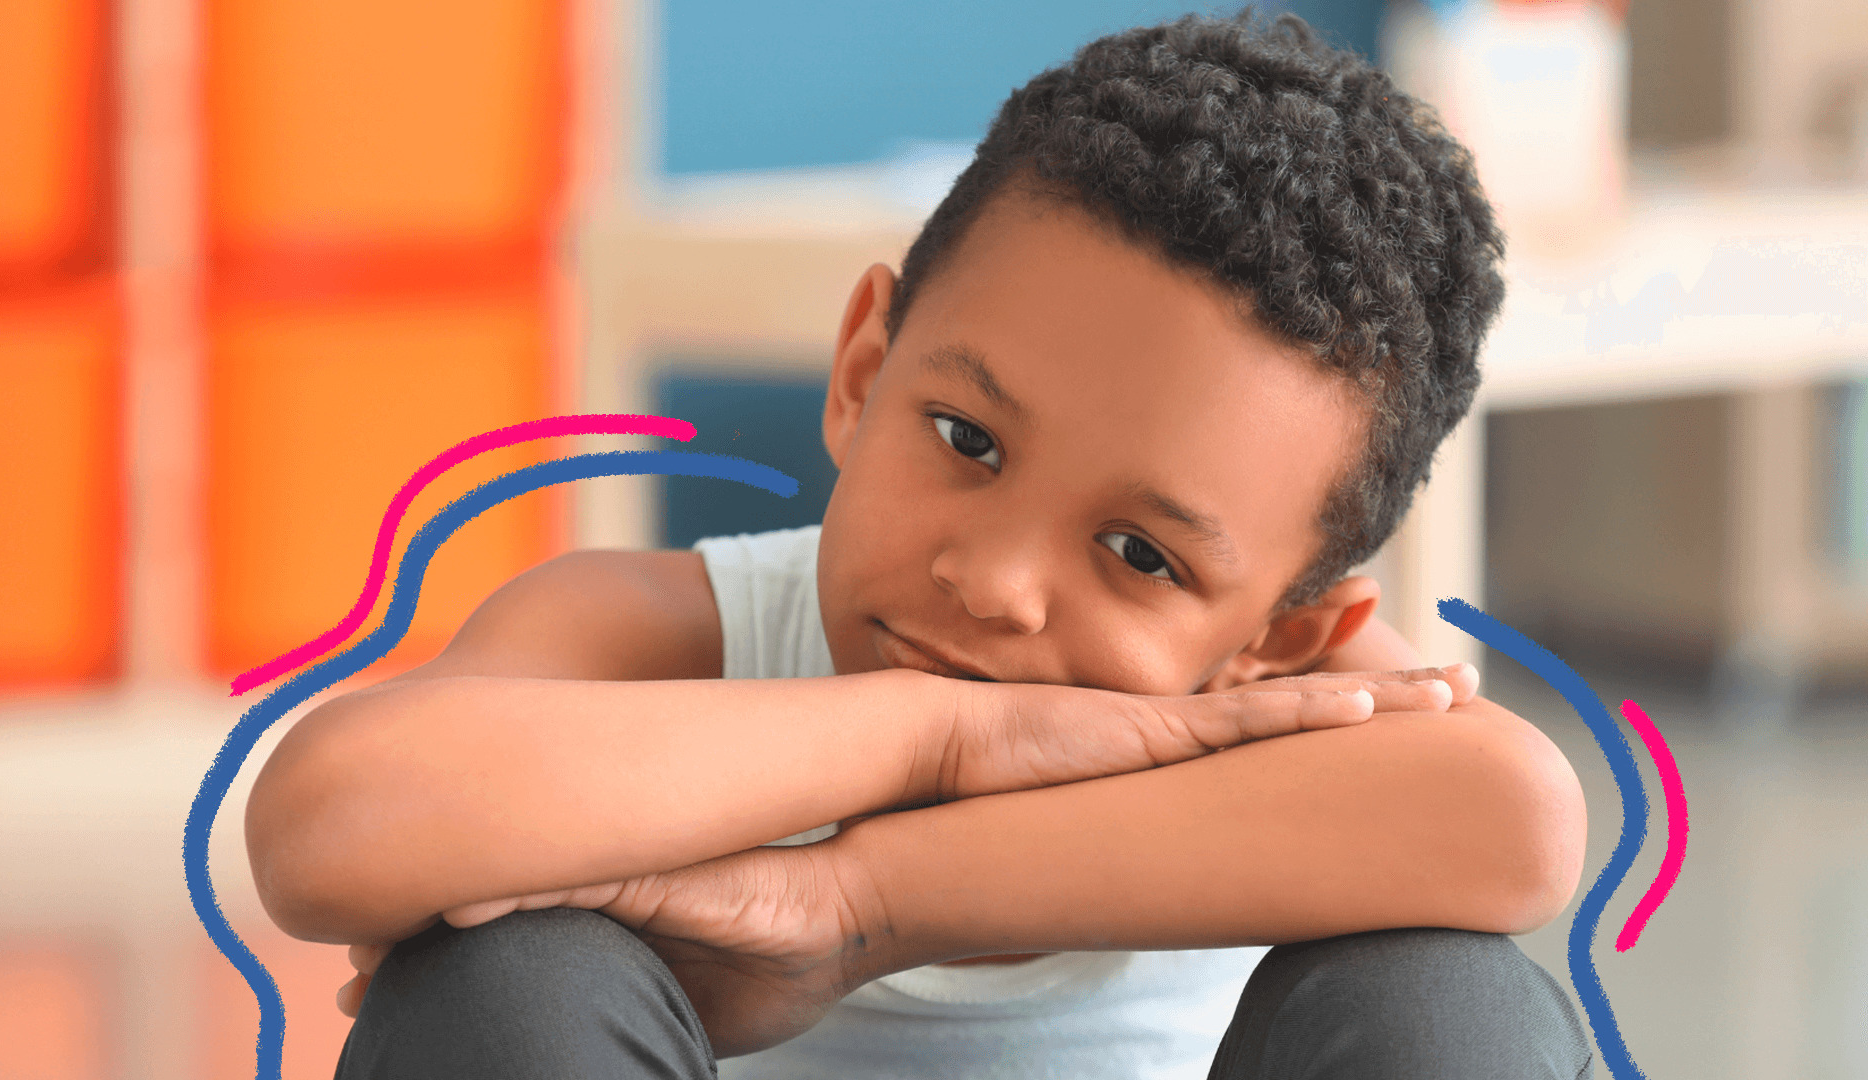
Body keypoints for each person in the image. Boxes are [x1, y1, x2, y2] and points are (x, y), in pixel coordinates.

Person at [246, 11, 1594, 1078]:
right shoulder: (659, 634)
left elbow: (1516, 821)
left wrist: (858, 904)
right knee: (507, 979)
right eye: (966, 441)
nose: (994, 583)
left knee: (1449, 1001)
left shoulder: (1293, 712)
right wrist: (930, 735)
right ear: (861, 370)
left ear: (1280, 638)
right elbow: (334, 817)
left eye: (1139, 554)